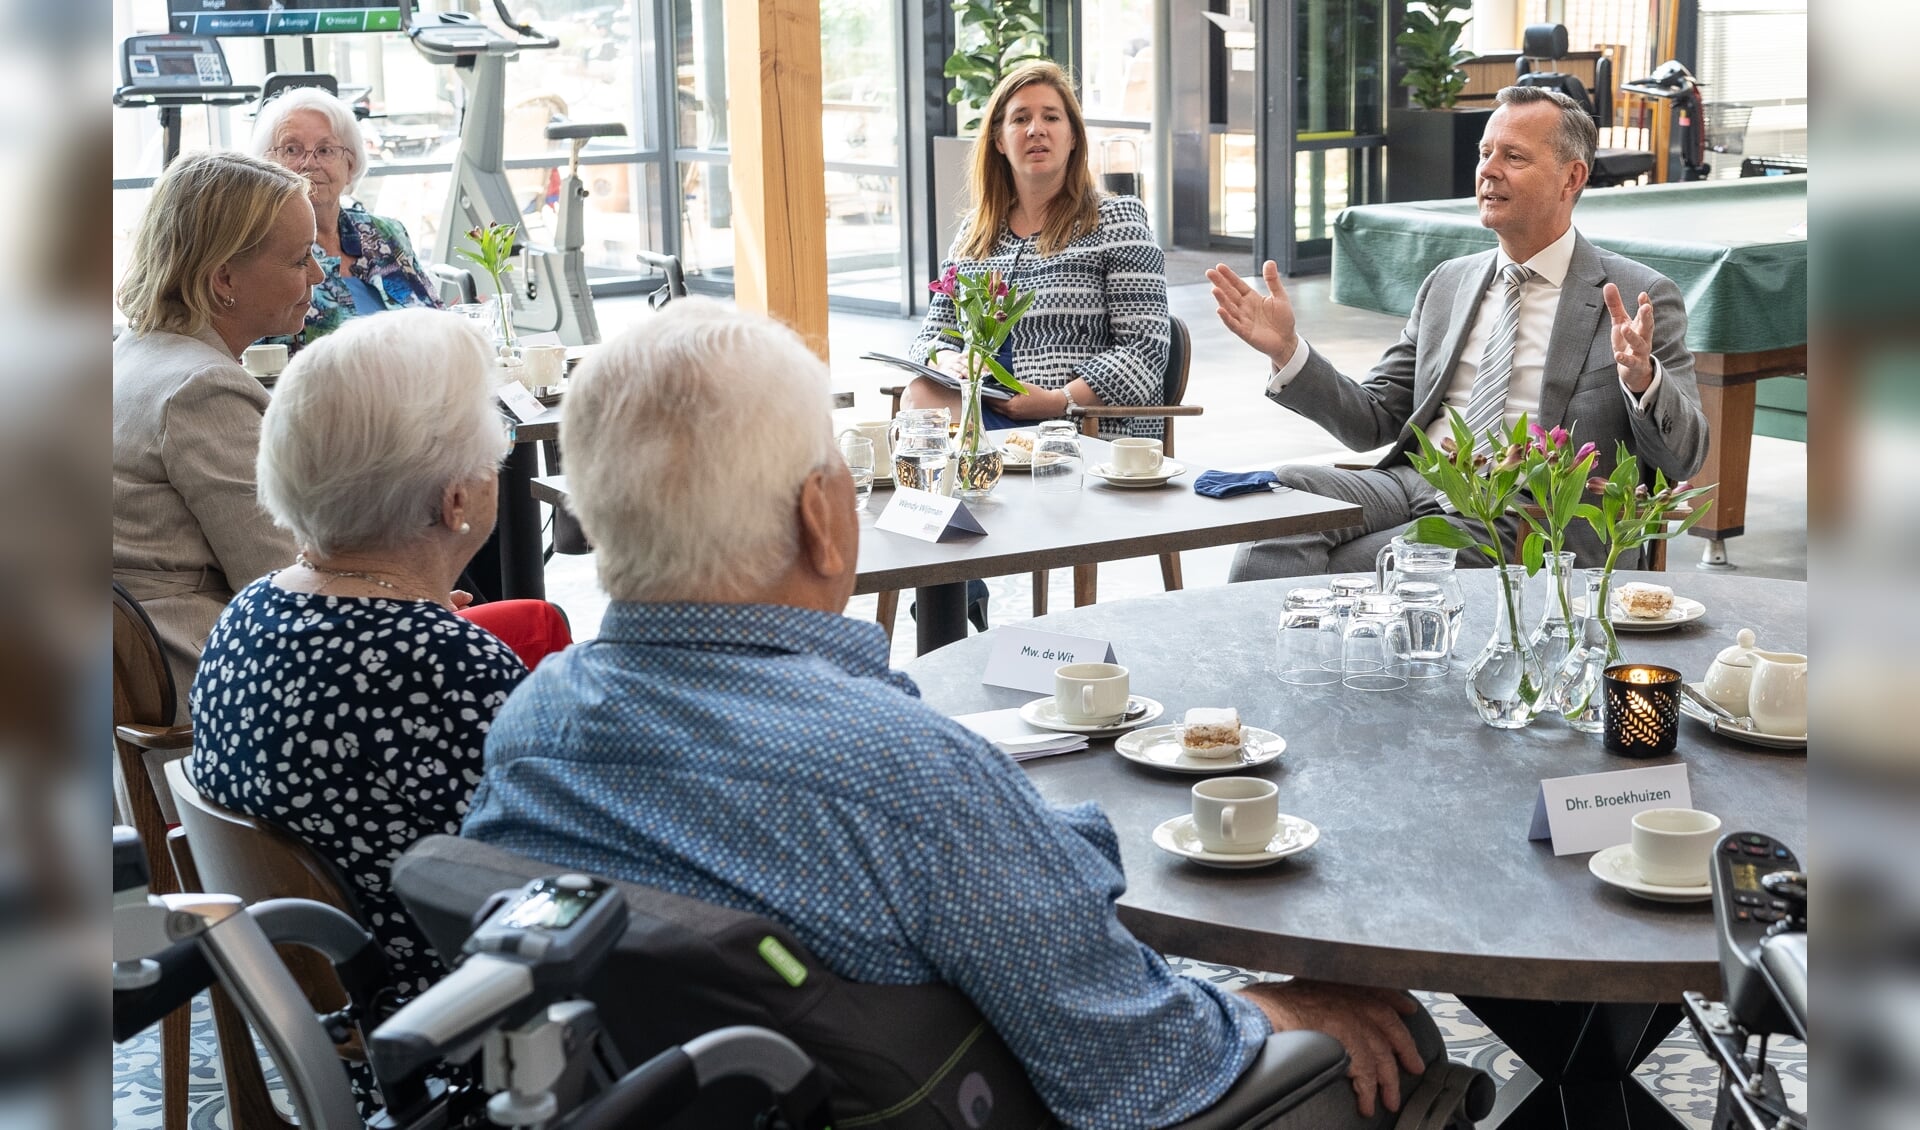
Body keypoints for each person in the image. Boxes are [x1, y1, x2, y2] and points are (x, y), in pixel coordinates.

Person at [463, 299, 1447, 1127]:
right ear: (823, 512)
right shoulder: (902, 776)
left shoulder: (528, 732)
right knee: (1400, 1035)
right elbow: (1132, 1061)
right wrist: (1273, 1007)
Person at [1208, 85, 1710, 580]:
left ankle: (1266, 656)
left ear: (1571, 177)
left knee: (1351, 568)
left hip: (1529, 515)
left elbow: (1682, 457)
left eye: (1513, 156)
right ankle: (1250, 661)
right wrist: (1289, 352)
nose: (1488, 170)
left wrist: (1643, 379)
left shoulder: (1637, 294)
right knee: (1278, 508)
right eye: (1485, 153)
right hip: (1415, 481)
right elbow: (1374, 421)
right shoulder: (1449, 282)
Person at [186, 308, 535, 1003]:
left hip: (315, 1001)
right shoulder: (443, 666)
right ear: (455, 499)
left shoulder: (252, 608)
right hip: (458, 1028)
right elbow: (547, 880)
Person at [114, 151, 318, 713]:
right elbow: (282, 583)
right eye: (302, 259)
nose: (319, 276)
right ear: (223, 277)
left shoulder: (125, 355)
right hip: (206, 684)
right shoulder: (201, 390)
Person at [904, 60, 1170, 439]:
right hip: (982, 413)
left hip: (1076, 424)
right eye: (1020, 119)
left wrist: (1059, 399)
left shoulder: (1116, 221)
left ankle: (974, 486)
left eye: (1051, 118)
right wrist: (944, 359)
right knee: (921, 394)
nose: (1036, 130)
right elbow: (932, 336)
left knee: (932, 428)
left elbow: (1145, 351)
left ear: (1074, 137)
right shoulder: (975, 234)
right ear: (999, 140)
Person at [250, 87, 442, 352]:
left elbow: (436, 318)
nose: (309, 163)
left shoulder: (386, 233)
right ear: (267, 164)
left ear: (350, 165)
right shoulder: (259, 246)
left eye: (326, 150)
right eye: (292, 149)